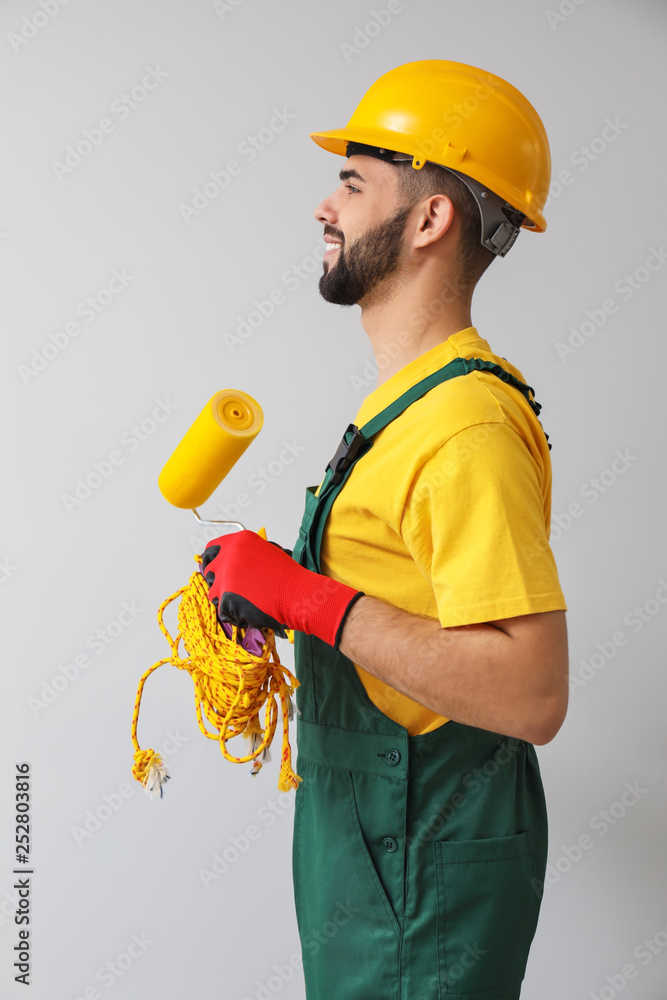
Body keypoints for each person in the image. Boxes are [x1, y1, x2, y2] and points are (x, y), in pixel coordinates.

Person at [202, 60, 569, 1000]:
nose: (324, 206)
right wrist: (278, 590)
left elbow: (531, 696)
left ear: (430, 220)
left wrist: (307, 597)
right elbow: (406, 607)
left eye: (354, 183)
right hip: (373, 845)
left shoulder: (464, 427)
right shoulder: (409, 408)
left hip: (419, 852)